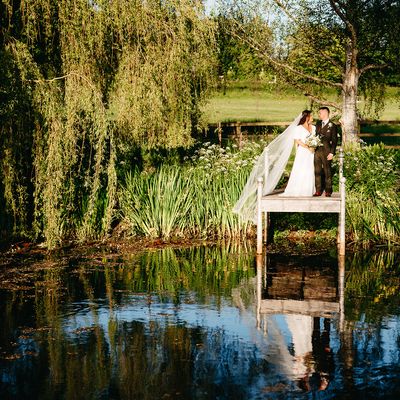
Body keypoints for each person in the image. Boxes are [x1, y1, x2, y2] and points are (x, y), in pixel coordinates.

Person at [281, 110, 316, 197]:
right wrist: (307, 147)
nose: (312, 117)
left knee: (310, 169)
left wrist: (313, 146)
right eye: (311, 116)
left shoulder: (314, 128)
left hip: (312, 152)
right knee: (301, 169)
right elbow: (297, 140)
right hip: (303, 152)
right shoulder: (298, 128)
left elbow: (315, 138)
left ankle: (309, 190)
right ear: (307, 117)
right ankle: (298, 189)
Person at [313, 107, 338, 197]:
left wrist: (332, 153)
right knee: (317, 171)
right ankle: (318, 190)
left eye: (320, 113)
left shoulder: (333, 126)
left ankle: (328, 190)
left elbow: (335, 141)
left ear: (325, 113)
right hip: (317, 151)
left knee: (327, 171)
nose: (319, 115)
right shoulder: (318, 124)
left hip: (327, 151)